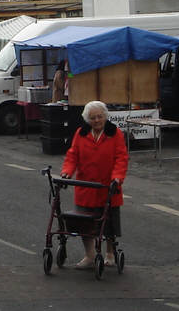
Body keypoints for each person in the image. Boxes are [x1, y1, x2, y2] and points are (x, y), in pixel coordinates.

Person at [61, 100, 129, 270]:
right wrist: (67, 172)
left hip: (108, 187)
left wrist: (117, 178)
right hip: (86, 187)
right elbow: (72, 155)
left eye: (100, 117)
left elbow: (121, 158)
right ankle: (90, 255)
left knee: (109, 224)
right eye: (93, 118)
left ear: (105, 116)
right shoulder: (81, 133)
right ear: (87, 119)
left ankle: (110, 254)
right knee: (85, 225)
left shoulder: (115, 134)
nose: (97, 120)